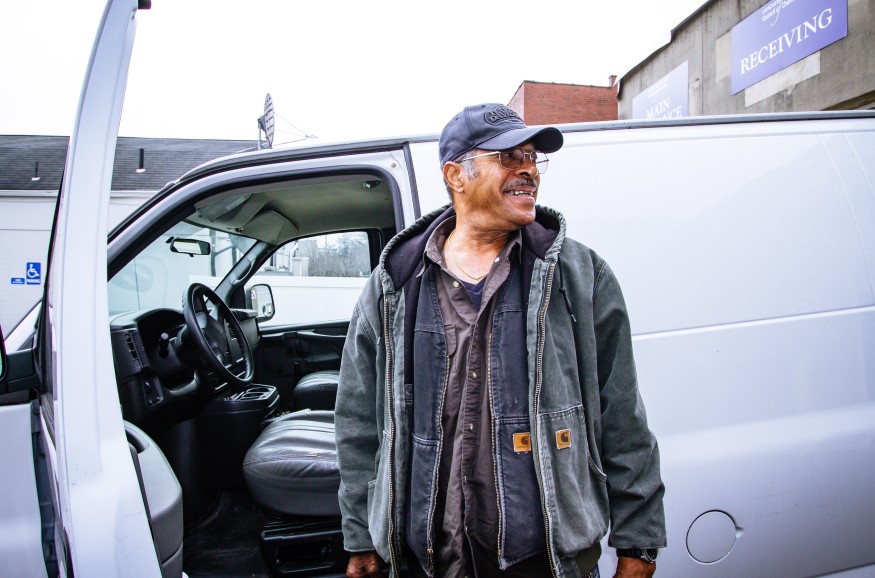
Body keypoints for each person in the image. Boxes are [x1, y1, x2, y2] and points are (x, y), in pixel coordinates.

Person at [335, 103, 666, 578]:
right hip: (429, 561)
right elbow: (358, 423)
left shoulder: (580, 277)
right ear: (456, 175)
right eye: (509, 157)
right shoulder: (395, 284)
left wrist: (640, 541)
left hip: (547, 564)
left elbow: (623, 417)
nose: (527, 169)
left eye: (532, 158)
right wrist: (361, 536)